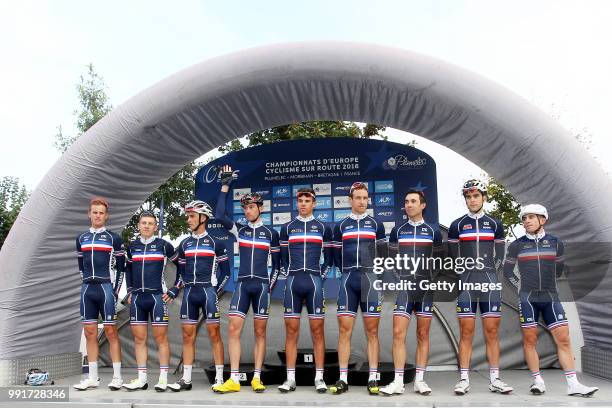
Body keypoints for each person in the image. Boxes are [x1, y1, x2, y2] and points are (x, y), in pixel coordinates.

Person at [503, 204, 598, 397]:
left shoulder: (556, 242)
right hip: (527, 298)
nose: (526, 221)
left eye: (531, 217)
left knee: (563, 340)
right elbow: (507, 271)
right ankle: (537, 381)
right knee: (530, 341)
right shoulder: (516, 245)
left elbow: (559, 270)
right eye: (524, 218)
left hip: (550, 297)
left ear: (543, 220)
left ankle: (573, 385)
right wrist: (519, 288)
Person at [212, 165, 281, 393]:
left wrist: (269, 286)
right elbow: (220, 215)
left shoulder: (271, 234)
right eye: (245, 208)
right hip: (242, 285)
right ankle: (233, 379)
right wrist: (225, 185)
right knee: (233, 329)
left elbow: (278, 266)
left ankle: (257, 378)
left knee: (260, 332)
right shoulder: (239, 230)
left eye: (251, 207)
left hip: (261, 286)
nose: (248, 211)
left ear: (260, 208)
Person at [447, 179, 513, 395]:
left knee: (491, 332)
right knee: (466, 332)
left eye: (476, 196)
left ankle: (495, 379)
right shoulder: (457, 225)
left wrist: (492, 276)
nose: (472, 199)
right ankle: (464, 379)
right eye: (468, 196)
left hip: (489, 282)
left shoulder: (495, 224)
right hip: (466, 282)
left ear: (483, 197)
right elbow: (453, 257)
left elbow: (501, 257)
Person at [380, 190, 442, 396]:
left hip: (425, 290)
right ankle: (398, 381)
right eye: (406, 201)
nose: (409, 204)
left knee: (423, 334)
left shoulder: (434, 231)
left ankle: (420, 381)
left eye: (413, 201)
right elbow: (391, 260)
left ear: (423, 205)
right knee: (398, 333)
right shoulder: (398, 230)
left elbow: (440, 262)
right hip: (405, 288)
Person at [165, 200, 231, 392]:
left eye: (192, 216)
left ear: (203, 218)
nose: (188, 220)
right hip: (189, 294)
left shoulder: (216, 243)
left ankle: (219, 378)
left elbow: (226, 273)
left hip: (208, 292)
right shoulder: (184, 244)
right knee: (187, 336)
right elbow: (181, 274)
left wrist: (214, 292)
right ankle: (186, 379)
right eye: (188, 216)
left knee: (214, 335)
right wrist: (175, 289)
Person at [329, 182, 387, 395]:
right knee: (345, 331)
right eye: (358, 198)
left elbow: (384, 255)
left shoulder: (376, 224)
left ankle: (373, 378)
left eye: (365, 198)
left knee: (372, 332)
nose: (362, 201)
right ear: (350, 200)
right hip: (348, 280)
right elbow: (335, 257)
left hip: (370, 279)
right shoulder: (341, 226)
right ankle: (343, 379)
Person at [277, 187, 333, 393]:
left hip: (314, 283)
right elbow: (281, 260)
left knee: (317, 332)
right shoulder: (287, 227)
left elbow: (329, 260)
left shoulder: (323, 227)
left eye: (307, 200)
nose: (303, 204)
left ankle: (319, 377)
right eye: (300, 200)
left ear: (314, 203)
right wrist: (289, 274)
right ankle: (290, 378)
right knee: (291, 332)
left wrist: (320, 277)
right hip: (293, 283)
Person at [73, 197, 126, 391]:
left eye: (101, 213)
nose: (97, 215)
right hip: (87, 289)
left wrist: (114, 291)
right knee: (89, 334)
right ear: (89, 214)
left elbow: (122, 268)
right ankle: (92, 378)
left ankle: (117, 377)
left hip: (105, 288)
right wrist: (86, 281)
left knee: (111, 332)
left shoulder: (114, 238)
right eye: (94, 212)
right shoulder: (81, 238)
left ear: (106, 216)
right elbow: (81, 266)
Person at [122, 211, 177, 392]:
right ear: (138, 225)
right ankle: (142, 379)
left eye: (150, 223)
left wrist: (174, 289)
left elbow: (183, 266)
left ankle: (162, 379)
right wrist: (129, 291)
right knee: (139, 340)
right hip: (138, 298)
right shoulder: (132, 247)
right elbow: (128, 271)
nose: (146, 226)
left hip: (156, 298)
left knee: (161, 339)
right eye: (143, 223)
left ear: (156, 227)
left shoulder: (164, 246)